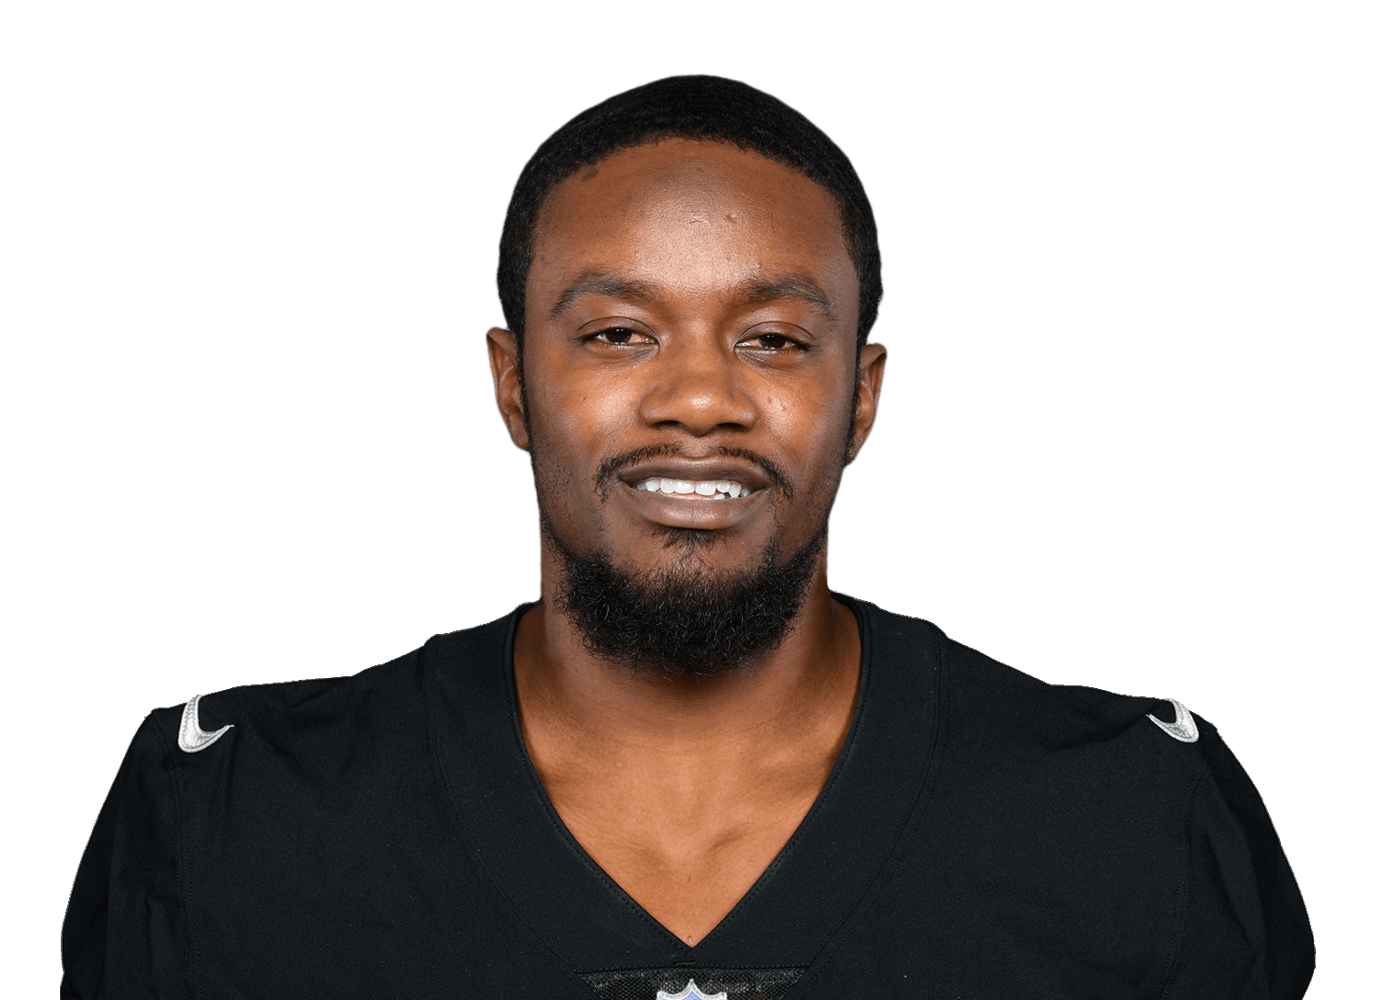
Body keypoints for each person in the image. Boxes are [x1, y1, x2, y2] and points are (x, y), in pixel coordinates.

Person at [62, 74, 1313, 999]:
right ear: (511, 384)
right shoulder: (229, 820)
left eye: (772, 338)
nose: (700, 399)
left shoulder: (1134, 821)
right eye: (618, 333)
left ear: (860, 396)